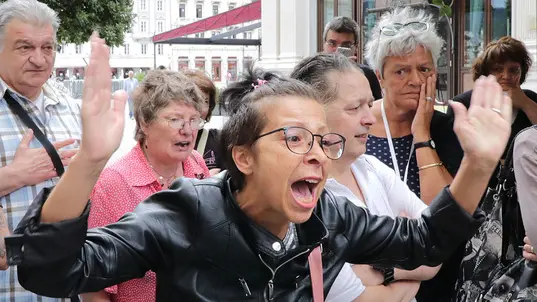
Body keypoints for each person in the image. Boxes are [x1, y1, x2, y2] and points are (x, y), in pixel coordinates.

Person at [5, 32, 511, 301]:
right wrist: (88, 165)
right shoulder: (182, 212)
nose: (315, 151)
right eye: (293, 138)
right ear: (241, 156)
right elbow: (55, 272)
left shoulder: (330, 217)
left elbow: (426, 240)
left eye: (320, 139)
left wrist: (479, 164)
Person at [292, 52, 440, 302]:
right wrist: (410, 266)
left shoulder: (371, 167)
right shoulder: (303, 195)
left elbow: (435, 244)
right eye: (354, 107)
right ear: (314, 113)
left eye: (370, 105)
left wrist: (386, 270)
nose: (370, 119)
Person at [81, 70, 210, 302]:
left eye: (194, 120)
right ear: (144, 123)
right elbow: (93, 284)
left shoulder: (197, 167)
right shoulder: (113, 183)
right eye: (175, 119)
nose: (188, 130)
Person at [363, 7, 464, 301]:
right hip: (367, 276)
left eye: (424, 69)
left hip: (436, 279)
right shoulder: (360, 125)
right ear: (380, 77)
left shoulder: (448, 128)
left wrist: (422, 133)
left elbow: (442, 211)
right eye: (401, 70)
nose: (416, 80)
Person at [0, 0, 80, 301]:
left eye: (47, 47)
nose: (39, 59)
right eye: (24, 47)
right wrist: (13, 176)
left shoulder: (72, 110)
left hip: (64, 288)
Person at [449, 36, 537, 164]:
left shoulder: (531, 99)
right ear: (486, 72)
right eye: (498, 69)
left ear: (522, 72)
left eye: (513, 70)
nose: (506, 76)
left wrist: (524, 103)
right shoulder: (463, 103)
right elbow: (453, 155)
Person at [322, 16, 383, 100]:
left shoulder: (367, 75)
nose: (337, 51)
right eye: (332, 43)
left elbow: (375, 108)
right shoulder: (311, 74)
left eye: (346, 45)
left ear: (356, 48)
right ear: (324, 45)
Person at [182, 69, 223, 175]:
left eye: (205, 101)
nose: (199, 108)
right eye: (195, 100)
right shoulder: (168, 142)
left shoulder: (219, 141)